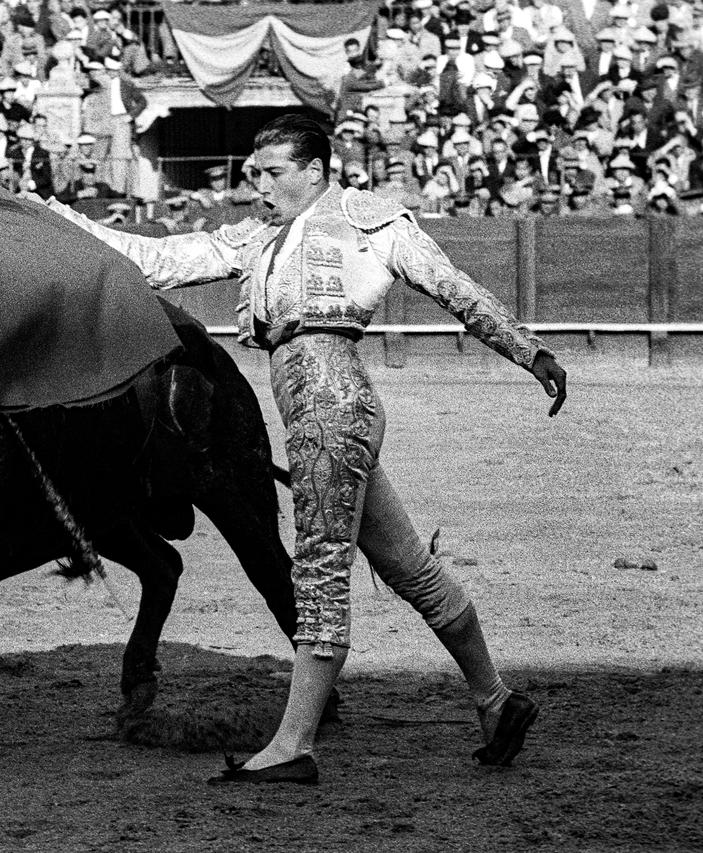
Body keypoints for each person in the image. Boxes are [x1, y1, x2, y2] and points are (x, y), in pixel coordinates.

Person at [32, 114, 567, 784]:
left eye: (273, 172)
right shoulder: (259, 235)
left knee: (318, 569)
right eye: (255, 173)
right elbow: (158, 259)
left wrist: (529, 350)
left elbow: (453, 286)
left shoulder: (369, 220)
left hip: (327, 404)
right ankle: (495, 699)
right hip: (324, 408)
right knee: (411, 570)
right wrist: (54, 217)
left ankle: (292, 745)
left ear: (314, 171)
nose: (259, 185)